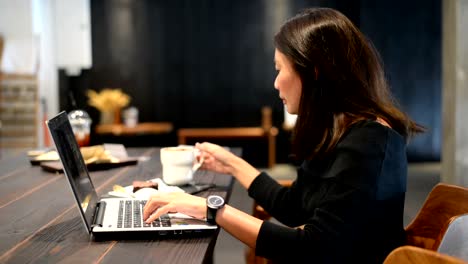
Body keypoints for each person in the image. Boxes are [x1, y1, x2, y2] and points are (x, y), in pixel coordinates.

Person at [143, 7, 423, 263]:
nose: (276, 83)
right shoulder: (341, 132)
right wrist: (230, 164)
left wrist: (212, 210)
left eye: (279, 69)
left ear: (313, 72)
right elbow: (294, 208)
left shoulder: (369, 144)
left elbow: (313, 246)